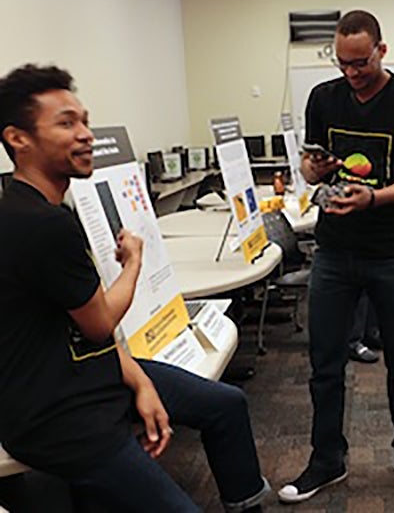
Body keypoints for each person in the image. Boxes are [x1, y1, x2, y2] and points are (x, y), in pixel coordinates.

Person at [0, 64, 270, 512]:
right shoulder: (38, 225)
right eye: (67, 123)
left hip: (89, 375)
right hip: (55, 416)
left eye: (84, 120)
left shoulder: (42, 210)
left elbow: (89, 330)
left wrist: (142, 383)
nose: (86, 134)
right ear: (18, 138)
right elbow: (100, 321)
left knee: (225, 405)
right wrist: (134, 262)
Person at [279, 10, 394, 503]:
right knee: (325, 362)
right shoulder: (323, 98)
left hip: (391, 252)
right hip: (334, 250)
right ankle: (326, 459)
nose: (352, 73)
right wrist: (315, 165)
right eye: (344, 63)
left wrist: (371, 197)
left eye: (361, 63)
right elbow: (310, 169)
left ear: (382, 51)